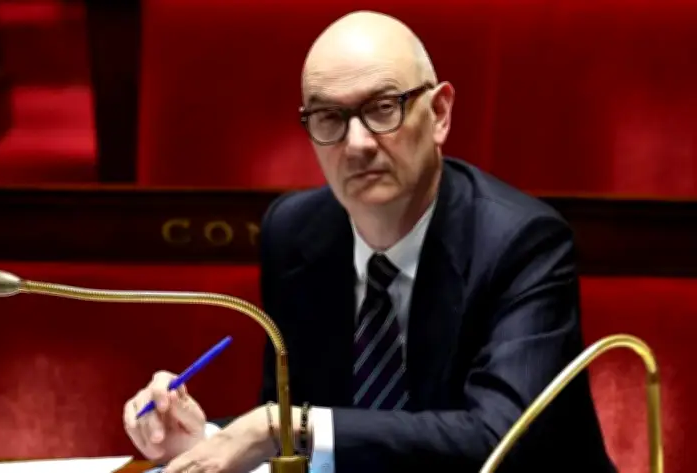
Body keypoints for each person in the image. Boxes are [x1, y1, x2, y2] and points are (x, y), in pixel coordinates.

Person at [122, 10, 616, 473]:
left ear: (440, 113)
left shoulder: (521, 243)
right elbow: (291, 421)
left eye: (383, 109)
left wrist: (283, 427)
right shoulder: (295, 233)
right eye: (329, 118)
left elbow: (498, 437)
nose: (357, 144)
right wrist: (203, 440)